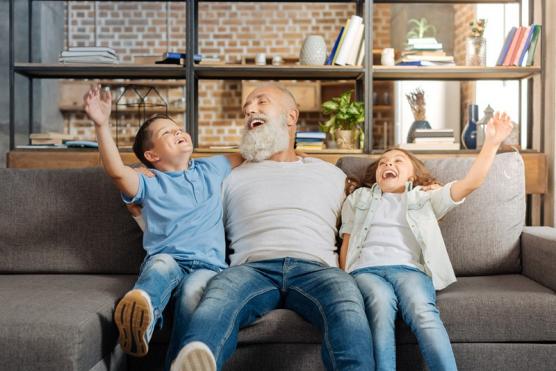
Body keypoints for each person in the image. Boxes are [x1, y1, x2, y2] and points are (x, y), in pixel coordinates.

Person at [168, 83, 373, 371]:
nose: (249, 109)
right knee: (218, 298)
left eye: (261, 102)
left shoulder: (332, 175)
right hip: (251, 268)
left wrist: (426, 189)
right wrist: (146, 178)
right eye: (246, 109)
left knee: (348, 307)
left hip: (317, 269)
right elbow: (186, 214)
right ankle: (196, 357)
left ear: (291, 117)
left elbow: (371, 211)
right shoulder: (230, 177)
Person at [339, 112, 514, 371]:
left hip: (410, 270)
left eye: (398, 160)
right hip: (366, 272)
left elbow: (470, 183)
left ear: (412, 175)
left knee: (422, 311)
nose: (388, 164)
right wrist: (344, 277)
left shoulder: (423, 197)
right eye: (383, 162)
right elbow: (347, 241)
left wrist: (492, 143)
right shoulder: (359, 198)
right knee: (379, 305)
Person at [83, 85, 243, 358]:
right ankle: (141, 320)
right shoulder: (149, 181)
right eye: (167, 133)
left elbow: (249, 152)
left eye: (178, 128)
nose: (178, 132)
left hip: (209, 266)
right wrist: (102, 125)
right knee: (159, 265)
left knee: (194, 293)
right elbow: (117, 172)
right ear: (152, 156)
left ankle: (180, 362)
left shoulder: (211, 168)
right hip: (168, 257)